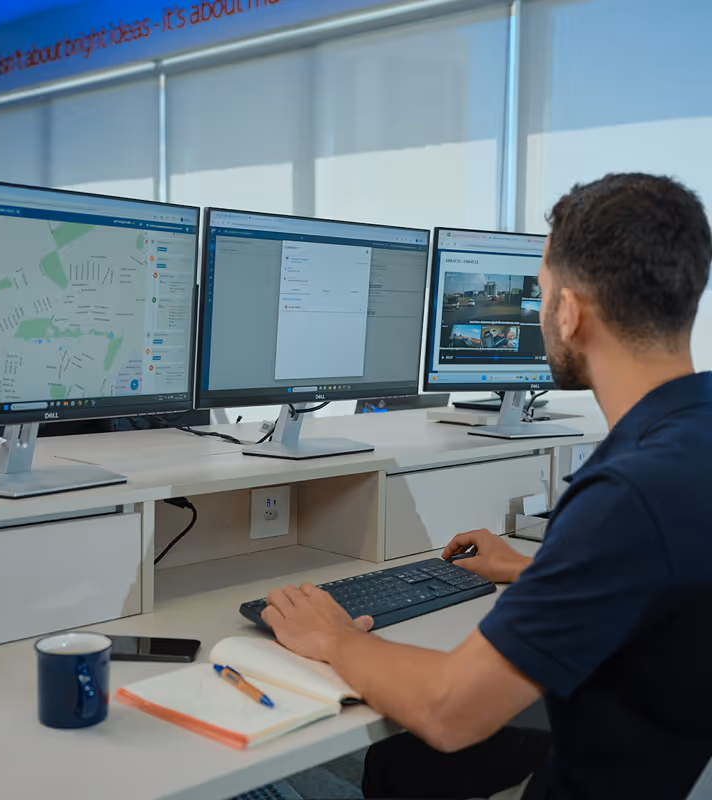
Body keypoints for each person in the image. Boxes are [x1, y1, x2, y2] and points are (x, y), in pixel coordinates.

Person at [262, 173, 712, 800]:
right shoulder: (692, 440)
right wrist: (534, 572)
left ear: (571, 311)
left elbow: (451, 711)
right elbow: (673, 585)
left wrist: (332, 636)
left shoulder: (630, 493)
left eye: (542, 292)